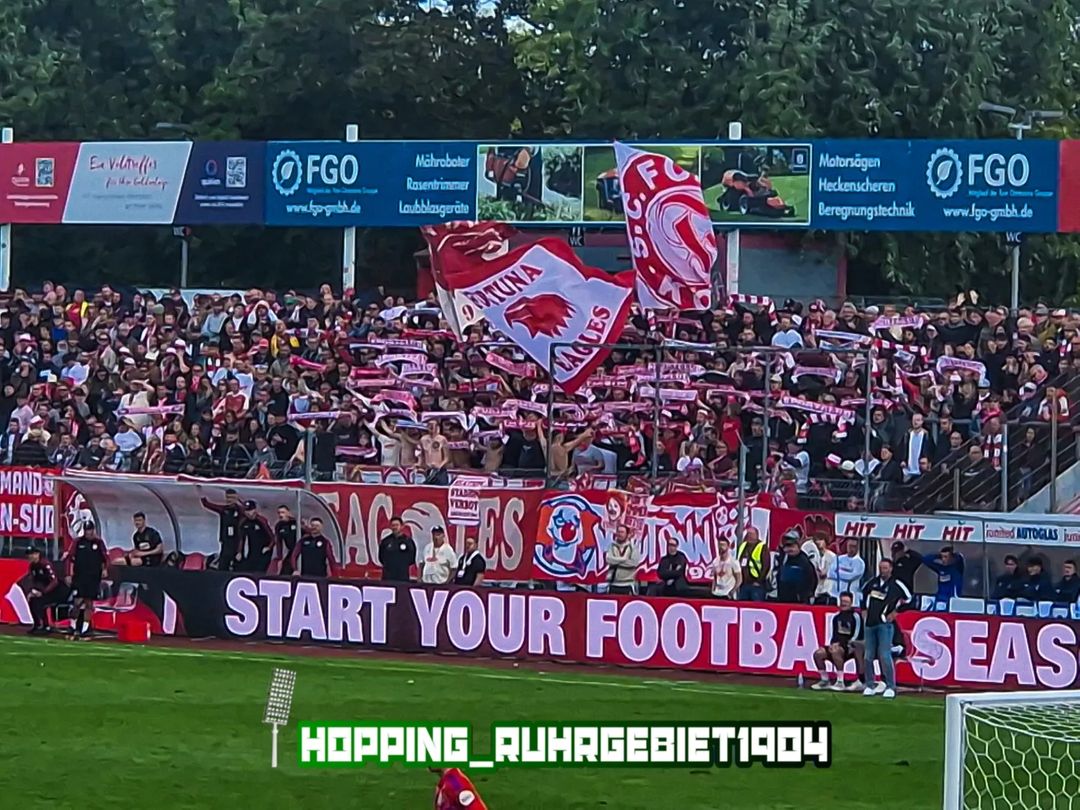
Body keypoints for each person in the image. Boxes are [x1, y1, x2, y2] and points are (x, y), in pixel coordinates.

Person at [861, 559, 910, 699]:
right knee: (868, 656)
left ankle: (890, 686)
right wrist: (864, 610)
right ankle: (870, 684)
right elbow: (863, 596)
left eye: (886, 568)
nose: (883, 571)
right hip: (870, 623)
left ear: (891, 569)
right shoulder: (872, 583)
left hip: (884, 624)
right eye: (881, 568)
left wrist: (895, 612)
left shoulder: (896, 585)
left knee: (884, 655)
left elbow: (910, 599)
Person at [810, 592, 864, 692]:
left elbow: (857, 635)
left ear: (851, 603)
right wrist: (832, 644)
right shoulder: (836, 617)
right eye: (842, 601)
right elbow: (834, 635)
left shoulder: (856, 616)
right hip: (837, 645)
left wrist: (844, 644)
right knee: (818, 654)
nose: (844, 604)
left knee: (836, 652)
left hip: (850, 646)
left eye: (846, 602)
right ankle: (825, 680)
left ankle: (840, 682)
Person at [65, 521, 108, 640]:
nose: (89, 532)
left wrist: (104, 570)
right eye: (87, 530)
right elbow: (70, 558)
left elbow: (105, 558)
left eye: (90, 529)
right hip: (79, 576)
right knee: (77, 602)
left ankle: (85, 628)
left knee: (89, 602)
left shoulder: (98, 543)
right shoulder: (78, 542)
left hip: (93, 577)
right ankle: (73, 626)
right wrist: (69, 574)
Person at [25, 547, 69, 635]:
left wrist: (43, 592)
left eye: (32, 554)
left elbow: (54, 581)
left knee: (41, 601)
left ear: (37, 554)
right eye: (29, 555)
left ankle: (46, 626)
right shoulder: (33, 567)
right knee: (32, 600)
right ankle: (37, 624)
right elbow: (33, 581)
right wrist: (33, 591)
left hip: (58, 590)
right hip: (46, 590)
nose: (30, 557)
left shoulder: (45, 564)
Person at [200, 488, 243, 571]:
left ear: (236, 498)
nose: (229, 500)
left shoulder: (241, 511)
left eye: (232, 498)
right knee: (223, 564)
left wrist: (240, 551)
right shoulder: (223, 509)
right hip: (225, 542)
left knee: (237, 565)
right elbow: (207, 504)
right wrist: (201, 492)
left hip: (236, 542)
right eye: (228, 498)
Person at [776, 535, 817, 604]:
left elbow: (812, 579)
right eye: (787, 547)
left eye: (792, 547)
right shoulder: (783, 560)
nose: (789, 549)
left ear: (798, 547)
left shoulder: (804, 561)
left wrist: (806, 595)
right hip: (783, 599)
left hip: (799, 600)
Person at [238, 500, 275, 573]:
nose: (248, 513)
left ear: (255, 510)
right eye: (246, 511)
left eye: (250, 510)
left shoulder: (261, 521)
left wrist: (269, 547)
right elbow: (241, 538)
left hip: (263, 551)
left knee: (259, 571)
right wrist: (239, 552)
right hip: (252, 550)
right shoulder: (243, 522)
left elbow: (273, 538)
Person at [378, 516, 416, 582]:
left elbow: (412, 559)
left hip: (402, 576)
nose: (395, 527)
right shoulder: (385, 541)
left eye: (397, 525)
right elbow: (381, 558)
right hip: (388, 576)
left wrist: (401, 564)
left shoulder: (408, 541)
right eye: (393, 525)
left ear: (402, 526)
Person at [605, 524, 640, 595]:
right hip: (613, 583)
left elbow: (633, 563)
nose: (619, 534)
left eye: (622, 532)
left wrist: (616, 561)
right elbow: (608, 559)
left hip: (628, 583)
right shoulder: (611, 546)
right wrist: (624, 559)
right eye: (618, 532)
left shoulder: (633, 547)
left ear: (627, 534)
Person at [801, 532, 836, 605]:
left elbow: (834, 571)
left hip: (827, 590)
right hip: (816, 591)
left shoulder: (832, 556)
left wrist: (826, 572)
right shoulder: (813, 555)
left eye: (820, 540)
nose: (818, 542)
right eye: (816, 540)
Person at [737, 527, 770, 601]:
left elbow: (766, 566)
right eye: (748, 534)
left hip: (756, 584)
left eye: (751, 534)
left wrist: (759, 581)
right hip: (744, 584)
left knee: (756, 607)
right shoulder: (743, 546)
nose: (749, 536)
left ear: (756, 535)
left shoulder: (762, 547)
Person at [274, 505, 299, 576]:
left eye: (283, 512)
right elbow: (279, 542)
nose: (281, 515)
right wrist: (280, 558)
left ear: (288, 513)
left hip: (302, 550)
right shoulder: (279, 526)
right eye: (279, 513)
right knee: (285, 570)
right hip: (291, 550)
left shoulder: (296, 522)